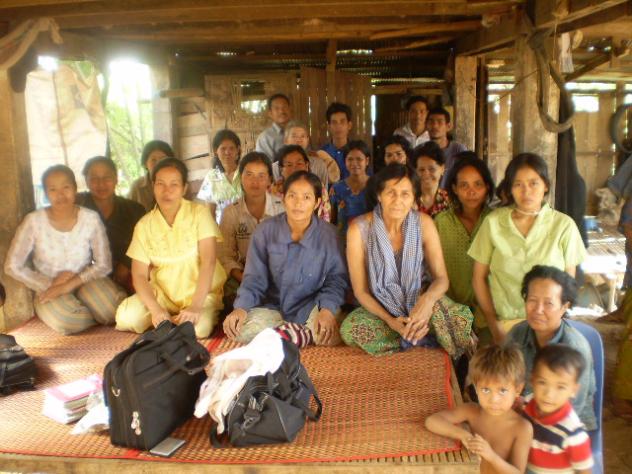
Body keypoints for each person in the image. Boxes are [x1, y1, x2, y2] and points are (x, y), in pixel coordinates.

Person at [340, 163, 473, 358]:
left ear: (413, 198)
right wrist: (390, 321)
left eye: (405, 194)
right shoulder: (358, 230)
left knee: (457, 319)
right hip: (381, 306)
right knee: (350, 328)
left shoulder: (424, 224)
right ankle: (416, 336)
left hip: (420, 300)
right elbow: (361, 292)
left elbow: (441, 279)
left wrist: (426, 302)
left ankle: (411, 334)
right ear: (379, 195)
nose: (398, 201)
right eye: (391, 193)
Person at [469, 153, 586, 345]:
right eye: (518, 184)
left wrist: (553, 328)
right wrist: (494, 325)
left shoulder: (564, 226)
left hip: (548, 327)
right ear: (510, 188)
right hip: (501, 324)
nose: (526, 191)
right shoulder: (493, 223)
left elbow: (567, 284)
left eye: (534, 183)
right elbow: (478, 278)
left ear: (545, 185)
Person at [222, 171, 348, 346]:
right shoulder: (265, 231)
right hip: (274, 306)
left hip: (312, 305)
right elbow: (254, 278)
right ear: (283, 199)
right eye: (292, 196)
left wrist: (327, 310)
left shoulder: (330, 235)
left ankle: (285, 334)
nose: (298, 203)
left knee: (325, 334)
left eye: (306, 197)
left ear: (317, 203)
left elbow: (337, 280)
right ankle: (296, 334)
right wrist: (241, 308)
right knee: (240, 330)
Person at [5, 165, 126, 335]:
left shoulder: (90, 218)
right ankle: (91, 314)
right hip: (49, 285)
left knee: (112, 310)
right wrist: (48, 283)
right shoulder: (33, 221)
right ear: (46, 193)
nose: (60, 195)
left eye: (66, 187)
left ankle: (91, 310)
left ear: (75, 189)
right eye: (53, 189)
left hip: (85, 279)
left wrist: (68, 285)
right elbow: (12, 266)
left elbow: (103, 264)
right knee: (68, 321)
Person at [115, 158, 227, 338]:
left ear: (184, 188)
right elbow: (139, 275)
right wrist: (156, 310)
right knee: (127, 318)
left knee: (198, 329)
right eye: (161, 184)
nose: (167, 191)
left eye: (174, 184)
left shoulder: (199, 214)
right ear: (153, 186)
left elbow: (209, 261)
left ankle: (173, 322)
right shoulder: (144, 225)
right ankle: (168, 320)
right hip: (162, 295)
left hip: (199, 294)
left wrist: (195, 306)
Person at [506, 265, 596, 431]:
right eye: (532, 300)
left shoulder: (575, 348)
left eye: (548, 303)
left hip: (567, 424)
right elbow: (503, 376)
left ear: (564, 307)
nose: (538, 310)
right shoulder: (517, 334)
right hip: (525, 413)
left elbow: (574, 406)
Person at [425, 345, 532, 474]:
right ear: (476, 388)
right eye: (486, 390)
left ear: (518, 390)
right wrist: (464, 436)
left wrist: (491, 455)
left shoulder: (522, 428)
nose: (494, 399)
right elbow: (432, 421)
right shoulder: (471, 411)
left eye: (502, 391)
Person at [218, 152, 284, 299]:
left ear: (270, 179)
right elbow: (225, 255)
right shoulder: (231, 212)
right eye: (249, 175)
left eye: (261, 175)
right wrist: (243, 278)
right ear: (240, 177)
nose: (255, 181)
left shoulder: (282, 208)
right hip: (244, 276)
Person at [76, 156, 146, 292]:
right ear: (86, 181)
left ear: (116, 179)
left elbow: (145, 242)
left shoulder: (134, 210)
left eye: (107, 177)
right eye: (94, 178)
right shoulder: (77, 210)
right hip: (90, 277)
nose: (101, 184)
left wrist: (126, 263)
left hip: (130, 274)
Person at [435, 153, 494, 308]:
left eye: (478, 184)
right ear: (454, 188)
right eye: (464, 185)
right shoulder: (441, 223)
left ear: (487, 187)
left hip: (490, 309)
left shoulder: (496, 222)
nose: (471, 192)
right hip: (450, 310)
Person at [523, 344, 594, 473]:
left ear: (573, 390)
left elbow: (585, 471)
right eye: (542, 382)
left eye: (560, 387)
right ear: (532, 380)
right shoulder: (526, 404)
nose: (549, 394)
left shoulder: (573, 434)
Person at [271, 145, 331, 222]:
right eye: (289, 165)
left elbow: (325, 217)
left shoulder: (318, 187)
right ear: (281, 169)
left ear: (306, 165)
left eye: (299, 163)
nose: (294, 168)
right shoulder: (274, 190)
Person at [196, 129, 243, 223]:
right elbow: (210, 214)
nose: (227, 152)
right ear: (215, 151)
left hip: (248, 228)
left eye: (232, 148)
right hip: (221, 228)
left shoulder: (245, 173)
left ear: (238, 150)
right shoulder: (211, 177)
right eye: (223, 148)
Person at [329, 140, 370, 241]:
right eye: (350, 159)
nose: (354, 163)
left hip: (370, 242)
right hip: (343, 242)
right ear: (345, 161)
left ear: (367, 161)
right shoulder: (337, 188)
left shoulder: (377, 186)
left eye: (359, 159)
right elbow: (332, 220)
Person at [278, 120, 338, 187]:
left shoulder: (319, 164)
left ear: (307, 140)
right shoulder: (276, 166)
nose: (299, 140)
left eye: (302, 136)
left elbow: (323, 190)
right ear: (285, 140)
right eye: (294, 136)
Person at [426, 107, 467, 188]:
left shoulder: (459, 150)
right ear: (426, 125)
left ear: (448, 126)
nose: (435, 126)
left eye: (440, 122)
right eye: (431, 122)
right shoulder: (420, 150)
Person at [128, 140, 174, 211]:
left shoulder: (179, 184)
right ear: (145, 164)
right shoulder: (137, 187)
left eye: (163, 159)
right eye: (153, 160)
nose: (158, 164)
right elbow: (128, 212)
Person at [412, 141, 450, 217]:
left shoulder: (450, 201)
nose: (426, 174)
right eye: (421, 170)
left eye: (432, 169)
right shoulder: (409, 200)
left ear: (442, 169)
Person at [321, 102, 353, 179]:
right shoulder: (322, 154)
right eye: (334, 122)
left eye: (342, 122)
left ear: (349, 125)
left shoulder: (358, 152)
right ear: (329, 126)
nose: (338, 126)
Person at [255, 93, 291, 161]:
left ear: (290, 110)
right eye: (277, 108)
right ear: (270, 113)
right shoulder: (265, 138)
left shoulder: (300, 133)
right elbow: (264, 165)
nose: (281, 111)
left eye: (285, 107)